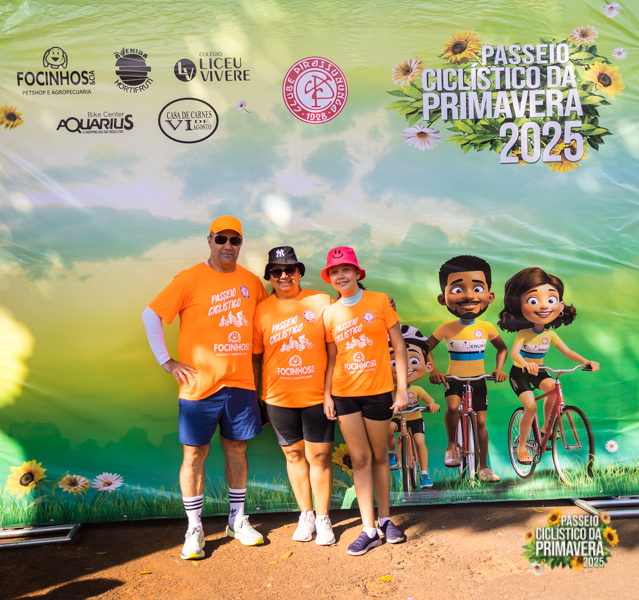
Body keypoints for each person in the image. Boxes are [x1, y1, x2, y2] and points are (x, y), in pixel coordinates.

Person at [142, 216, 268, 560]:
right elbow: (151, 314)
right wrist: (166, 361)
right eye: (221, 239)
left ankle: (237, 520)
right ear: (209, 240)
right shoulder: (189, 278)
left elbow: (272, 317)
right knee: (194, 455)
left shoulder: (252, 282)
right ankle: (194, 528)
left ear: (241, 244)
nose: (228, 246)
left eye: (235, 240)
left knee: (237, 451)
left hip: (241, 384)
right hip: (198, 388)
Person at [322, 246, 409, 556]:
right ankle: (368, 529)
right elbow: (332, 357)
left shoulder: (380, 301)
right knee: (359, 459)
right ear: (330, 278)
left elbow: (399, 347)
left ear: (358, 272)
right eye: (334, 271)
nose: (340, 276)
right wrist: (327, 394)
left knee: (380, 456)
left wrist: (401, 390)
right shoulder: (330, 313)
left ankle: (386, 520)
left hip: (378, 392)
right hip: (344, 395)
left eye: (345, 269)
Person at [252, 246, 336, 546]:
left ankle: (323, 518)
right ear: (269, 277)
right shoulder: (261, 310)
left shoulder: (321, 301)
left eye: (290, 269)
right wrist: (255, 395)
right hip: (277, 397)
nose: (284, 276)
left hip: (317, 396)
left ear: (299, 272)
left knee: (320, 457)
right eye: (277, 271)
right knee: (294, 455)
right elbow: (256, 357)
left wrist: (330, 391)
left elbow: (334, 348)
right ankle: (306, 515)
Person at [497, 267, 600, 464]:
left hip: (540, 372)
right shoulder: (524, 333)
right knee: (530, 407)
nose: (544, 306)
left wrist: (585, 361)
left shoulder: (550, 334)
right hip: (520, 373)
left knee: (554, 388)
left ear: (560, 306)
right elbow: (514, 353)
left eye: (551, 300)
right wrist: (525, 363)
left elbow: (567, 351)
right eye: (534, 300)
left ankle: (546, 428)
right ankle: (521, 448)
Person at [428, 255, 507, 483]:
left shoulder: (487, 327)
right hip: (454, 378)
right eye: (458, 289)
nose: (469, 296)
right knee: (453, 408)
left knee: (481, 423)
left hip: (479, 379)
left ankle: (484, 467)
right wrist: (433, 370)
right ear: (443, 298)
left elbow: (502, 348)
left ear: (489, 297)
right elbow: (425, 348)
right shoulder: (447, 327)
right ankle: (451, 446)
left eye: (477, 288)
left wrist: (499, 369)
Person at [387, 325, 440, 488]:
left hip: (416, 419)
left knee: (419, 441)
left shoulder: (417, 389)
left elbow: (428, 398)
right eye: (394, 362)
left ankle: (424, 473)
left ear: (428, 366)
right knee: (389, 429)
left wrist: (431, 404)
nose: (406, 367)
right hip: (399, 419)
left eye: (414, 361)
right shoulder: (391, 391)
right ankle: (392, 453)